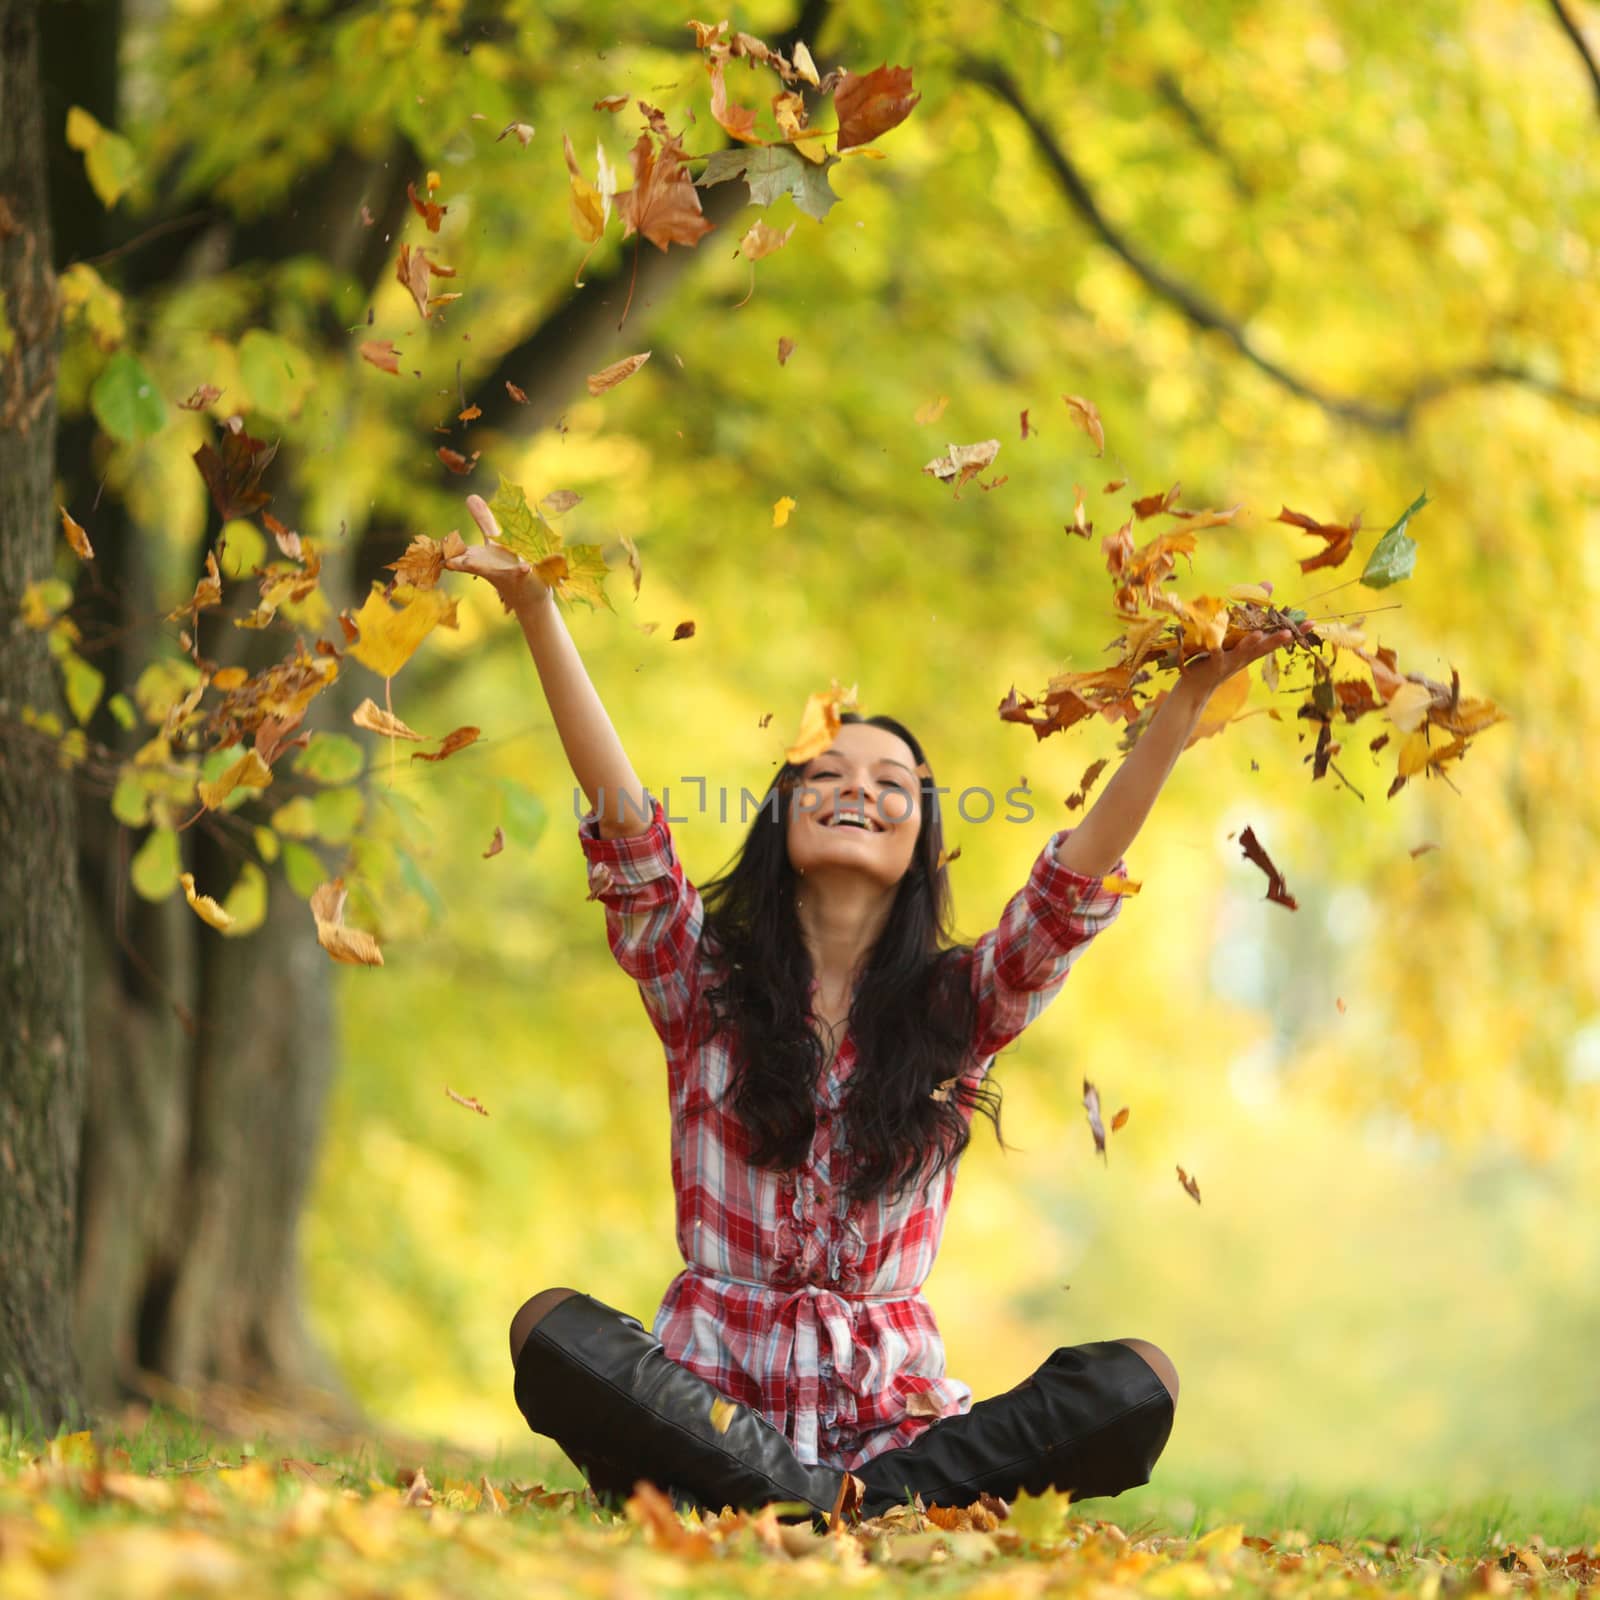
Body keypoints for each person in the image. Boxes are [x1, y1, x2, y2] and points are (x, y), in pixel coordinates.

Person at [448, 495, 1292, 1521]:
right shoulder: (701, 981)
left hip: (899, 1435)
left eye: (892, 781)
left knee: (1136, 1379)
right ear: (782, 815)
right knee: (551, 1328)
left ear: (921, 841)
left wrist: (1177, 712)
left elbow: (1069, 889)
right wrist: (539, 610)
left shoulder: (959, 1009)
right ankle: (827, 1502)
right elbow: (628, 837)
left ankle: (840, 1498)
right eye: (826, 773)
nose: (858, 788)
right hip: (710, 1420)